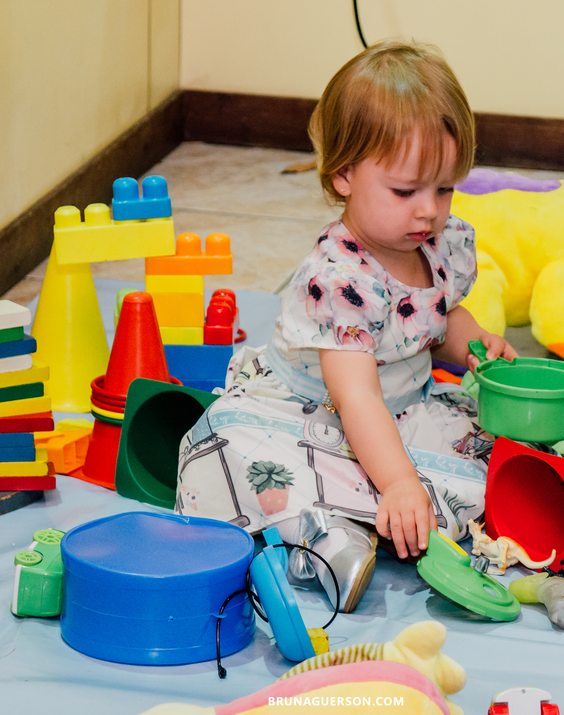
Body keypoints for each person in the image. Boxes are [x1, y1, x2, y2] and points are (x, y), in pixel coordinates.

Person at [175, 40, 516, 581]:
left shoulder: (438, 243)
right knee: (243, 456)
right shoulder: (337, 281)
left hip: (405, 408)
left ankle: (372, 517)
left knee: (501, 459)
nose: (429, 209)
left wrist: (475, 344)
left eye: (445, 188)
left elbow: (438, 321)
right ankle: (325, 538)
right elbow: (355, 398)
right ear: (343, 175)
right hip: (315, 415)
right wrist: (400, 481)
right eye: (405, 190)